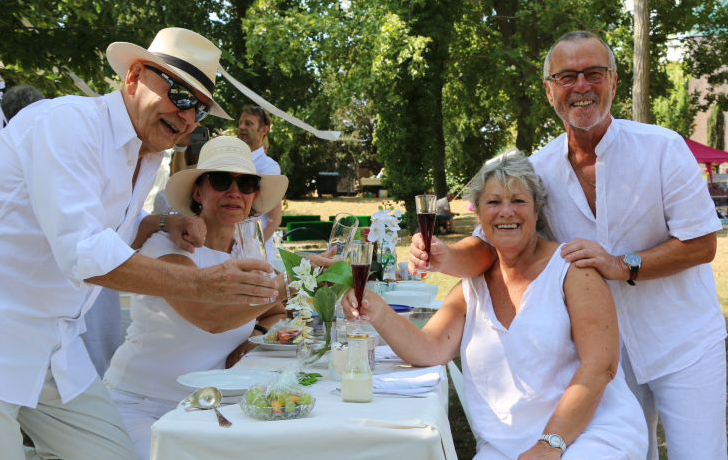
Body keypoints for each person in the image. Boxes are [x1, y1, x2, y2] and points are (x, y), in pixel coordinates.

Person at [410, 31, 726, 460]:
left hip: (683, 342)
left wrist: (623, 263)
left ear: (613, 81)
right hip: (604, 353)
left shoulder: (662, 148)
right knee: (634, 451)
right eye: (567, 76)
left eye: (593, 73)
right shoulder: (538, 169)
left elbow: (702, 244)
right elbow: (487, 245)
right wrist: (444, 256)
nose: (581, 86)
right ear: (549, 91)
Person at [0, 28, 278, 460]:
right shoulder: (67, 124)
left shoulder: (145, 153)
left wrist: (163, 219)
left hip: (55, 349)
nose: (188, 118)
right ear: (133, 77)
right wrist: (204, 284)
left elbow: (104, 229)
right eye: (181, 96)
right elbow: (84, 251)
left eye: (200, 109)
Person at [349, 153, 647, 459]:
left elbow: (601, 367)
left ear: (536, 210)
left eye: (518, 200)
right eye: (493, 202)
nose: (506, 212)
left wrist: (550, 444)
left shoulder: (573, 269)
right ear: (478, 214)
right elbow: (429, 349)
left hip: (588, 435)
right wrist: (378, 311)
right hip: (506, 447)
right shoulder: (473, 285)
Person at [105, 136, 289, 460]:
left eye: (245, 183)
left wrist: (255, 337)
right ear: (198, 191)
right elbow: (208, 317)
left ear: (254, 196)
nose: (234, 192)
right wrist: (289, 285)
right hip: (142, 404)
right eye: (221, 181)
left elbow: (275, 312)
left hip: (211, 403)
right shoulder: (169, 246)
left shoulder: (251, 250)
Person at [238, 105, 283, 264]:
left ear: (264, 130)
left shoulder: (268, 167)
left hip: (255, 252)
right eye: (240, 122)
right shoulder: (232, 160)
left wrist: (253, 247)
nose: (242, 127)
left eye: (248, 123)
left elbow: (274, 218)